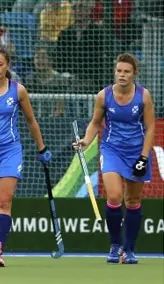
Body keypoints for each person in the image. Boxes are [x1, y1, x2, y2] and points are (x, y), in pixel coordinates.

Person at [0, 45, 51, 267]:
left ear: (8, 65)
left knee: (4, 201)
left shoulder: (18, 90)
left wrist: (42, 149)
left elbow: (31, 121)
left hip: (10, 151)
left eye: (0, 64)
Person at [73, 53, 155, 264]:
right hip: (111, 150)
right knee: (115, 196)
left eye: (127, 71)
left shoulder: (143, 96)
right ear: (114, 72)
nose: (122, 75)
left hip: (137, 152)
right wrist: (85, 140)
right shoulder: (104, 95)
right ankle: (115, 244)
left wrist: (144, 157)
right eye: (119, 71)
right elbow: (94, 122)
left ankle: (129, 249)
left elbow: (151, 127)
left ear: (134, 74)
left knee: (133, 200)